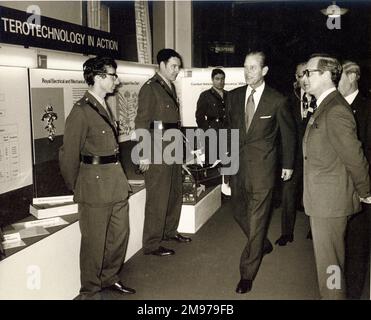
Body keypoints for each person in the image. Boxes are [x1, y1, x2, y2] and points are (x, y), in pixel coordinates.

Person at [59, 56, 135, 298]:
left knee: (119, 236)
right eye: (113, 75)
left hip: (115, 184)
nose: (117, 80)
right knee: (93, 245)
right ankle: (90, 291)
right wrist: (79, 187)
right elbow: (68, 155)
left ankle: (109, 277)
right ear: (100, 77)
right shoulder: (81, 111)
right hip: (94, 189)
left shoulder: (103, 105)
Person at [226, 51, 296, 294]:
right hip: (238, 168)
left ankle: (247, 273)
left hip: (264, 170)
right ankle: (261, 243)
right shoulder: (233, 97)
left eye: (253, 68)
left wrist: (288, 165)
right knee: (237, 211)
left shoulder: (277, 100)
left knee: (257, 220)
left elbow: (288, 135)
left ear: (264, 71)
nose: (248, 72)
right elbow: (230, 135)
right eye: (245, 67)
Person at [302, 54, 371, 299]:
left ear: (326, 75)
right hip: (323, 201)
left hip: (329, 204)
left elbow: (354, 157)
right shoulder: (326, 105)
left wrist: (365, 192)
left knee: (330, 269)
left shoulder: (335, 110)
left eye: (309, 73)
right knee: (331, 266)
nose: (304, 78)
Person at [135, 48, 191, 257]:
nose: (177, 70)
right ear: (161, 65)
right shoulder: (150, 88)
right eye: (173, 66)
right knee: (158, 196)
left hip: (173, 145)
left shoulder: (170, 86)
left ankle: (169, 231)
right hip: (157, 148)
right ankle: (151, 243)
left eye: (178, 66)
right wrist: (143, 154)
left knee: (174, 192)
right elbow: (141, 122)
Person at [338, 60, 371, 299]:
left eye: (339, 76)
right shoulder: (332, 105)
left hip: (361, 190)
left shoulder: (367, 109)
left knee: (357, 247)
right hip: (335, 190)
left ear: (353, 76)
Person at [275, 62, 316, 246]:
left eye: (307, 74)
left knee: (314, 193)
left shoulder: (319, 97)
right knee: (288, 193)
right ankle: (286, 233)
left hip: (315, 156)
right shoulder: (288, 98)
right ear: (296, 78)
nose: (304, 79)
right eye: (300, 75)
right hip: (293, 156)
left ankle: (314, 230)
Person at [195, 68, 230, 196]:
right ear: (212, 80)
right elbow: (199, 116)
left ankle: (225, 190)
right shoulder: (205, 95)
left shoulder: (228, 95)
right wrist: (207, 130)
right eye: (217, 79)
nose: (220, 82)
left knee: (226, 161)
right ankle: (212, 191)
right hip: (212, 132)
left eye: (222, 79)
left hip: (226, 132)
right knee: (212, 161)